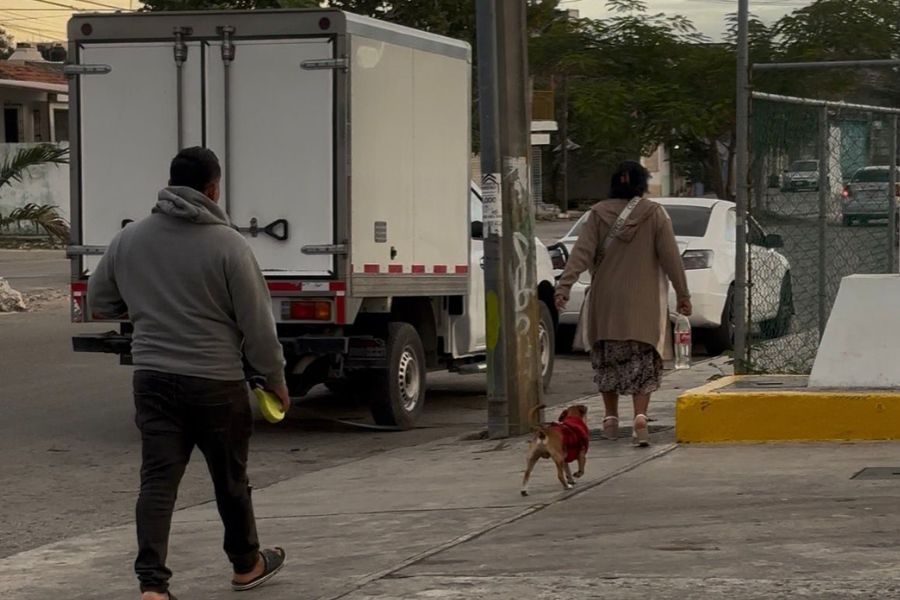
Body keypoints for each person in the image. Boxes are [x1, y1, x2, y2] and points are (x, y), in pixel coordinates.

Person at [88, 147, 289, 600]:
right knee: (230, 479)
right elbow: (257, 324)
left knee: (157, 482)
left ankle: (152, 586)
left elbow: (99, 300)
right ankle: (246, 565)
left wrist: (142, 309)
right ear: (213, 188)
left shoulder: (129, 239)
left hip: (153, 377)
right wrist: (273, 377)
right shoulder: (229, 245)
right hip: (216, 381)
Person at [554, 161, 691, 447]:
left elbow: (580, 253)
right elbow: (671, 258)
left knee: (608, 361)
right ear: (642, 184)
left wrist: (564, 286)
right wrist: (683, 294)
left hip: (606, 304)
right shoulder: (655, 214)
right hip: (644, 305)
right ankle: (640, 416)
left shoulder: (597, 214)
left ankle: (610, 418)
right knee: (642, 362)